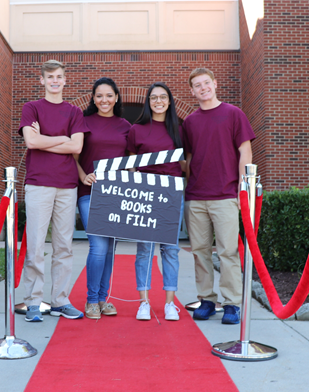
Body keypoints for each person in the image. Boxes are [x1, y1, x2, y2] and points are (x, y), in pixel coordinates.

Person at [182, 67, 255, 325]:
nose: (203, 88)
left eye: (206, 83)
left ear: (215, 83)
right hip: (196, 197)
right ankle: (207, 300)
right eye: (197, 86)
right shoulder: (189, 122)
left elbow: (245, 151)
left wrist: (242, 187)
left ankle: (232, 303)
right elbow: (188, 159)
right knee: (200, 252)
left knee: (228, 251)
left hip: (225, 194)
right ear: (192, 92)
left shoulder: (233, 114)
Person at [19, 60, 87, 322]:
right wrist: (63, 138)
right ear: (42, 81)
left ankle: (60, 300)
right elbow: (30, 141)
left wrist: (45, 140)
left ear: (65, 80)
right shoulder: (32, 108)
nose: (55, 81)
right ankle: (34, 302)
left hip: (67, 186)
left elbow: (77, 148)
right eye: (50, 77)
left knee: (64, 246)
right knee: (36, 246)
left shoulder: (74, 112)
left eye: (59, 76)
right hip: (38, 184)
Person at [127, 83, 186, 321]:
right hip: (145, 193)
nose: (158, 101)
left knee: (170, 249)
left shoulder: (179, 130)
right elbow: (131, 164)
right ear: (148, 101)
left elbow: (185, 163)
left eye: (163, 97)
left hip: (172, 193)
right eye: (154, 97)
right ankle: (144, 302)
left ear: (169, 101)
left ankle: (170, 304)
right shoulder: (136, 130)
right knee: (145, 249)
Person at [74, 78, 131, 320]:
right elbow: (74, 156)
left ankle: (102, 299)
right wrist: (83, 176)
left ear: (116, 97)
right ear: (93, 98)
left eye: (109, 95)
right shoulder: (83, 122)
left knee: (110, 249)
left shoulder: (126, 126)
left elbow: (130, 161)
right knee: (98, 247)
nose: (104, 100)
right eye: (99, 95)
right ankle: (90, 300)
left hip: (116, 195)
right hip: (90, 193)